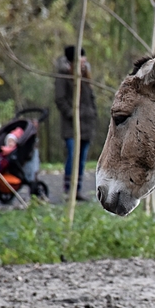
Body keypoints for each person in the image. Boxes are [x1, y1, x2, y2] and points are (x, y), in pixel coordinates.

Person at [54, 45, 97, 201]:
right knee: (73, 156)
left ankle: (77, 189)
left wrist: (92, 114)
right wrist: (73, 114)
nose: (83, 64)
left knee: (82, 159)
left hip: (87, 124)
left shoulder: (85, 76)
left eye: (84, 61)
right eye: (81, 61)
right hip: (71, 126)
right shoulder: (63, 77)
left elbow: (91, 98)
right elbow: (60, 99)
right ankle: (69, 190)